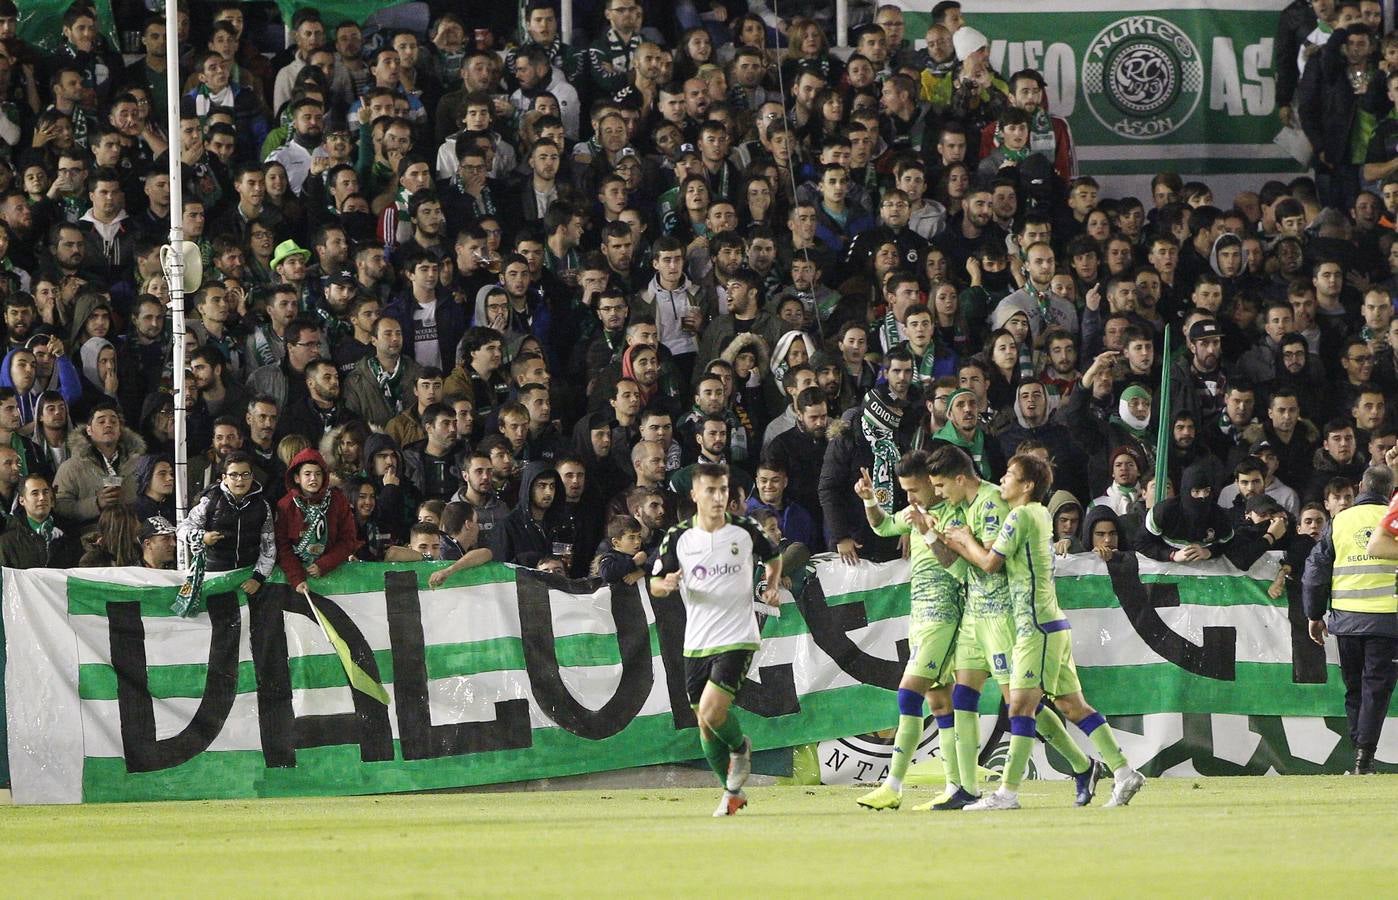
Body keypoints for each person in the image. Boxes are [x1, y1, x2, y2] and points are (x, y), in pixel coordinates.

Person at [940, 452, 1146, 809]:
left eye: (1009, 475)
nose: (1002, 480)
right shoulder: (1037, 515)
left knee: (1020, 707)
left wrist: (961, 539)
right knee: (1072, 706)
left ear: (1027, 486)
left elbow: (990, 564)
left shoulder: (1021, 515)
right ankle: (1124, 773)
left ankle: (1007, 793)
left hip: (1035, 626)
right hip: (1049, 624)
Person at [649, 463, 782, 816]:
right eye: (710, 490)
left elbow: (774, 556)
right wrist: (667, 585)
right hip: (696, 640)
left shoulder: (744, 529)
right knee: (704, 725)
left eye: (723, 490)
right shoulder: (678, 536)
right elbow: (655, 583)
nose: (718, 497)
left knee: (712, 710)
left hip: (738, 635)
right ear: (694, 495)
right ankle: (732, 791)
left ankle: (740, 749)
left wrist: (770, 585)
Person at [851, 450, 964, 811]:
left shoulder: (953, 514)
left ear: (933, 482)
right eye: (906, 492)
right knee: (938, 700)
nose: (911, 498)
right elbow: (882, 526)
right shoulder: (915, 511)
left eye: (915, 490)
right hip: (920, 614)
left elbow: (956, 563)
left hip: (944, 613)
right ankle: (956, 786)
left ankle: (893, 785)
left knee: (908, 693)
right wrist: (870, 500)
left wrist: (926, 532)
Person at [1302, 464, 1398, 775]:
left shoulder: (1340, 521)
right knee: (1375, 691)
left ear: (1360, 487)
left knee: (1355, 689)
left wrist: (1314, 615)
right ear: (1388, 491)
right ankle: (1364, 758)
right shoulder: (1392, 520)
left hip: (1347, 622)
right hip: (1387, 621)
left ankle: (1360, 755)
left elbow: (1315, 573)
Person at [177, 450, 275, 603]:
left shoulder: (263, 506)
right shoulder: (210, 501)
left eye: (245, 474)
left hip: (247, 577)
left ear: (252, 476)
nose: (240, 480)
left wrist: (258, 578)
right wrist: (202, 536)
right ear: (224, 478)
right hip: (211, 576)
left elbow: (268, 547)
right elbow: (182, 529)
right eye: (234, 475)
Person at [274, 448, 360, 594]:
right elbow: (282, 547)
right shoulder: (285, 506)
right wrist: (297, 577)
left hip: (334, 575)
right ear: (297, 478)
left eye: (318, 474)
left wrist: (325, 564)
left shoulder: (338, 501)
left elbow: (348, 540)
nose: (313, 478)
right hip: (298, 579)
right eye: (307, 474)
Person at [0, 473, 79, 568]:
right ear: (22, 500)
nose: (42, 498)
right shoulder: (8, 542)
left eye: (45, 492)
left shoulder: (69, 531)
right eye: (35, 493)